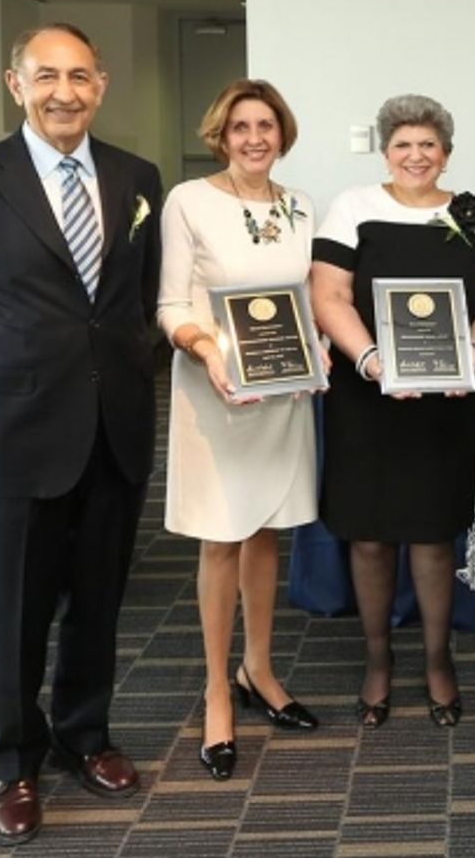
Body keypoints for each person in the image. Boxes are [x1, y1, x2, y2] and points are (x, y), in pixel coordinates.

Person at [0, 24, 162, 845]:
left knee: (97, 600)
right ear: (15, 84)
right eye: (47, 75)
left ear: (102, 84)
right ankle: (13, 760)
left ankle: (84, 734)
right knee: (15, 611)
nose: (65, 91)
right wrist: (7, 385)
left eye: (80, 76)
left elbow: (137, 299)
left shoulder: (136, 177)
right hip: (12, 436)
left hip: (114, 430)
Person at [310, 94, 475, 728]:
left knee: (433, 533)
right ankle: (378, 661)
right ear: (385, 152)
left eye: (428, 145)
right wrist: (372, 360)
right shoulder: (353, 207)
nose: (416, 155)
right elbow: (329, 295)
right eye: (403, 144)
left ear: (446, 154)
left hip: (447, 401)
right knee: (370, 535)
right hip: (366, 395)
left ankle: (437, 661)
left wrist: (472, 354)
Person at [157, 79, 321, 782]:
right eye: (240, 127)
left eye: (266, 126)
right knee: (222, 536)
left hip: (281, 394)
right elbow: (170, 304)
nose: (254, 138)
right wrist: (206, 349)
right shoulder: (188, 201)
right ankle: (217, 690)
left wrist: (316, 354)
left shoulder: (299, 205)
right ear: (220, 136)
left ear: (282, 134)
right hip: (217, 391)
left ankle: (259, 669)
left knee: (266, 529)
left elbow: (306, 299)